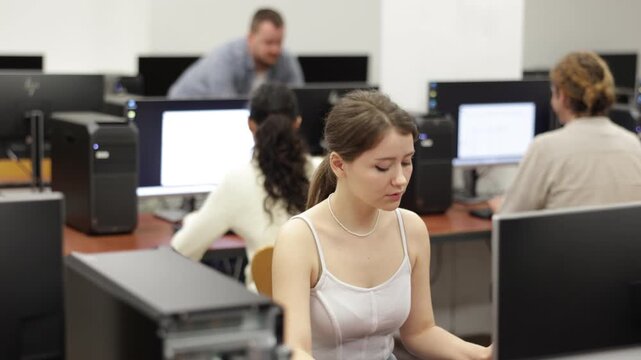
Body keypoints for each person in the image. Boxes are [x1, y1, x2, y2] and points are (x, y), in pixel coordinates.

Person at [272, 90, 492, 360]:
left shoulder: (411, 228)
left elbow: (420, 332)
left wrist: (484, 355)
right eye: (383, 167)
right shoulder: (300, 238)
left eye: (407, 161)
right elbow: (296, 350)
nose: (400, 179)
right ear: (339, 165)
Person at [171, 83, 317, 290]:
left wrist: (191, 221)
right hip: (324, 310)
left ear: (251, 125)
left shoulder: (238, 181)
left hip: (272, 311)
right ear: (297, 123)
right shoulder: (326, 173)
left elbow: (182, 249)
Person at [490, 51, 641, 214]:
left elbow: (510, 216)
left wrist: (498, 207)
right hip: (623, 240)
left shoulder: (546, 148)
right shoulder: (633, 144)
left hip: (565, 240)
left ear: (561, 95)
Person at [168, 8, 304, 99]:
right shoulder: (225, 59)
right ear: (250, 38)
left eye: (279, 43)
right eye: (268, 43)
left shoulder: (286, 60)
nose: (275, 49)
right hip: (185, 113)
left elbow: (298, 100)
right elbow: (227, 109)